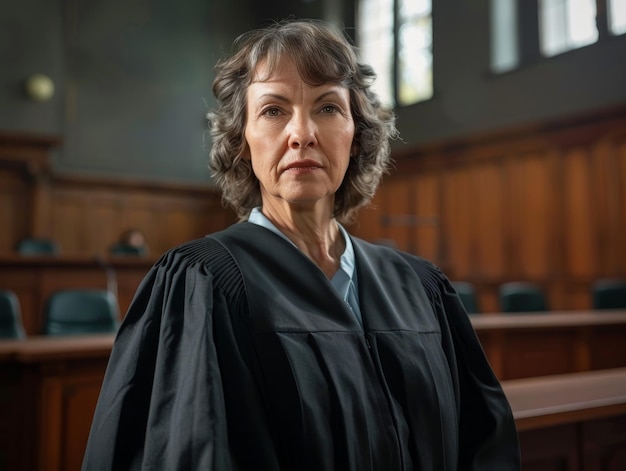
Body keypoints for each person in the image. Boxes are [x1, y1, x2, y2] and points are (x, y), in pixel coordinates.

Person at [82, 19, 520, 470]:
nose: (302, 133)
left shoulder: (421, 288)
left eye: (328, 108)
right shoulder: (203, 285)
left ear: (356, 134)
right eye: (274, 110)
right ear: (241, 141)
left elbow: (483, 446)